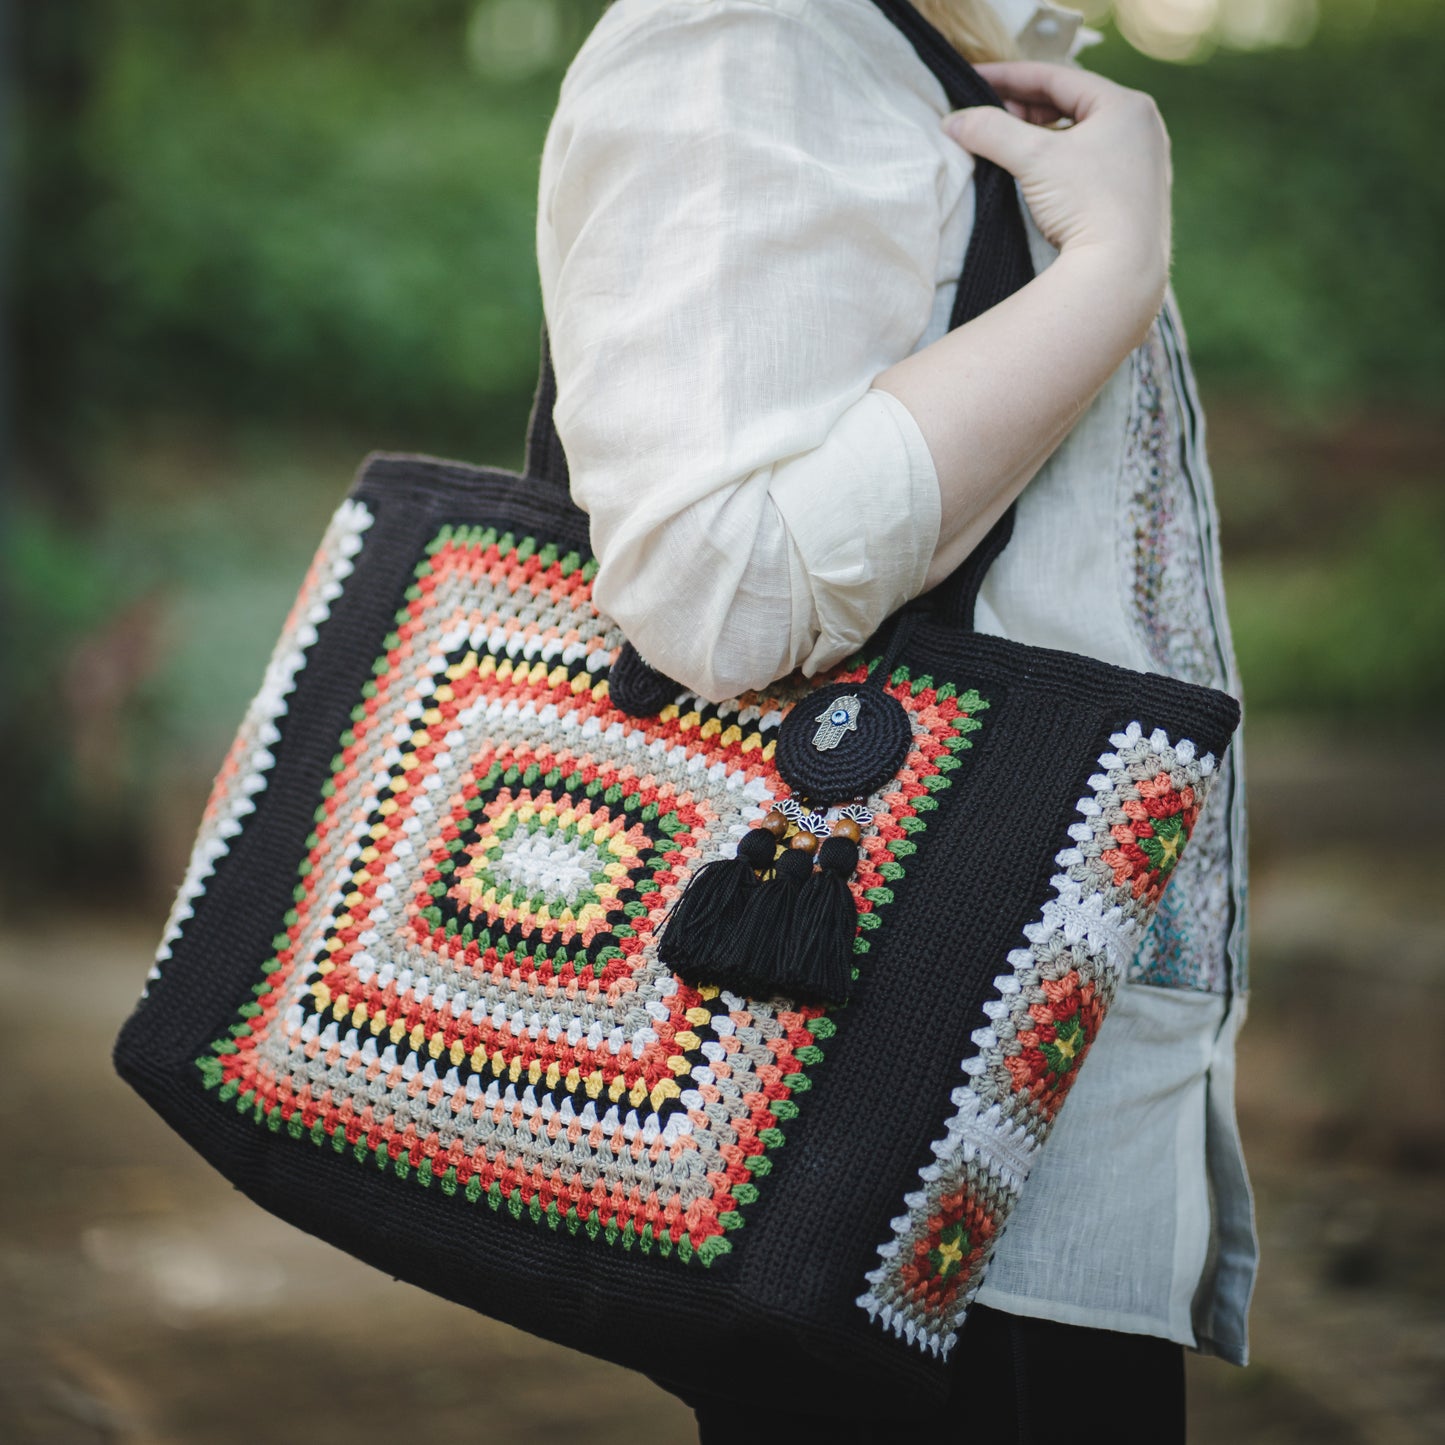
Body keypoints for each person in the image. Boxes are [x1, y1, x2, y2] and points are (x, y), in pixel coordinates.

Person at [535, 0, 1255, 1438]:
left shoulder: (928, 61)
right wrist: (1106, 266)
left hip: (1028, 1136)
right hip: (895, 1133)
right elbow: (719, 587)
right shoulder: (745, 36)